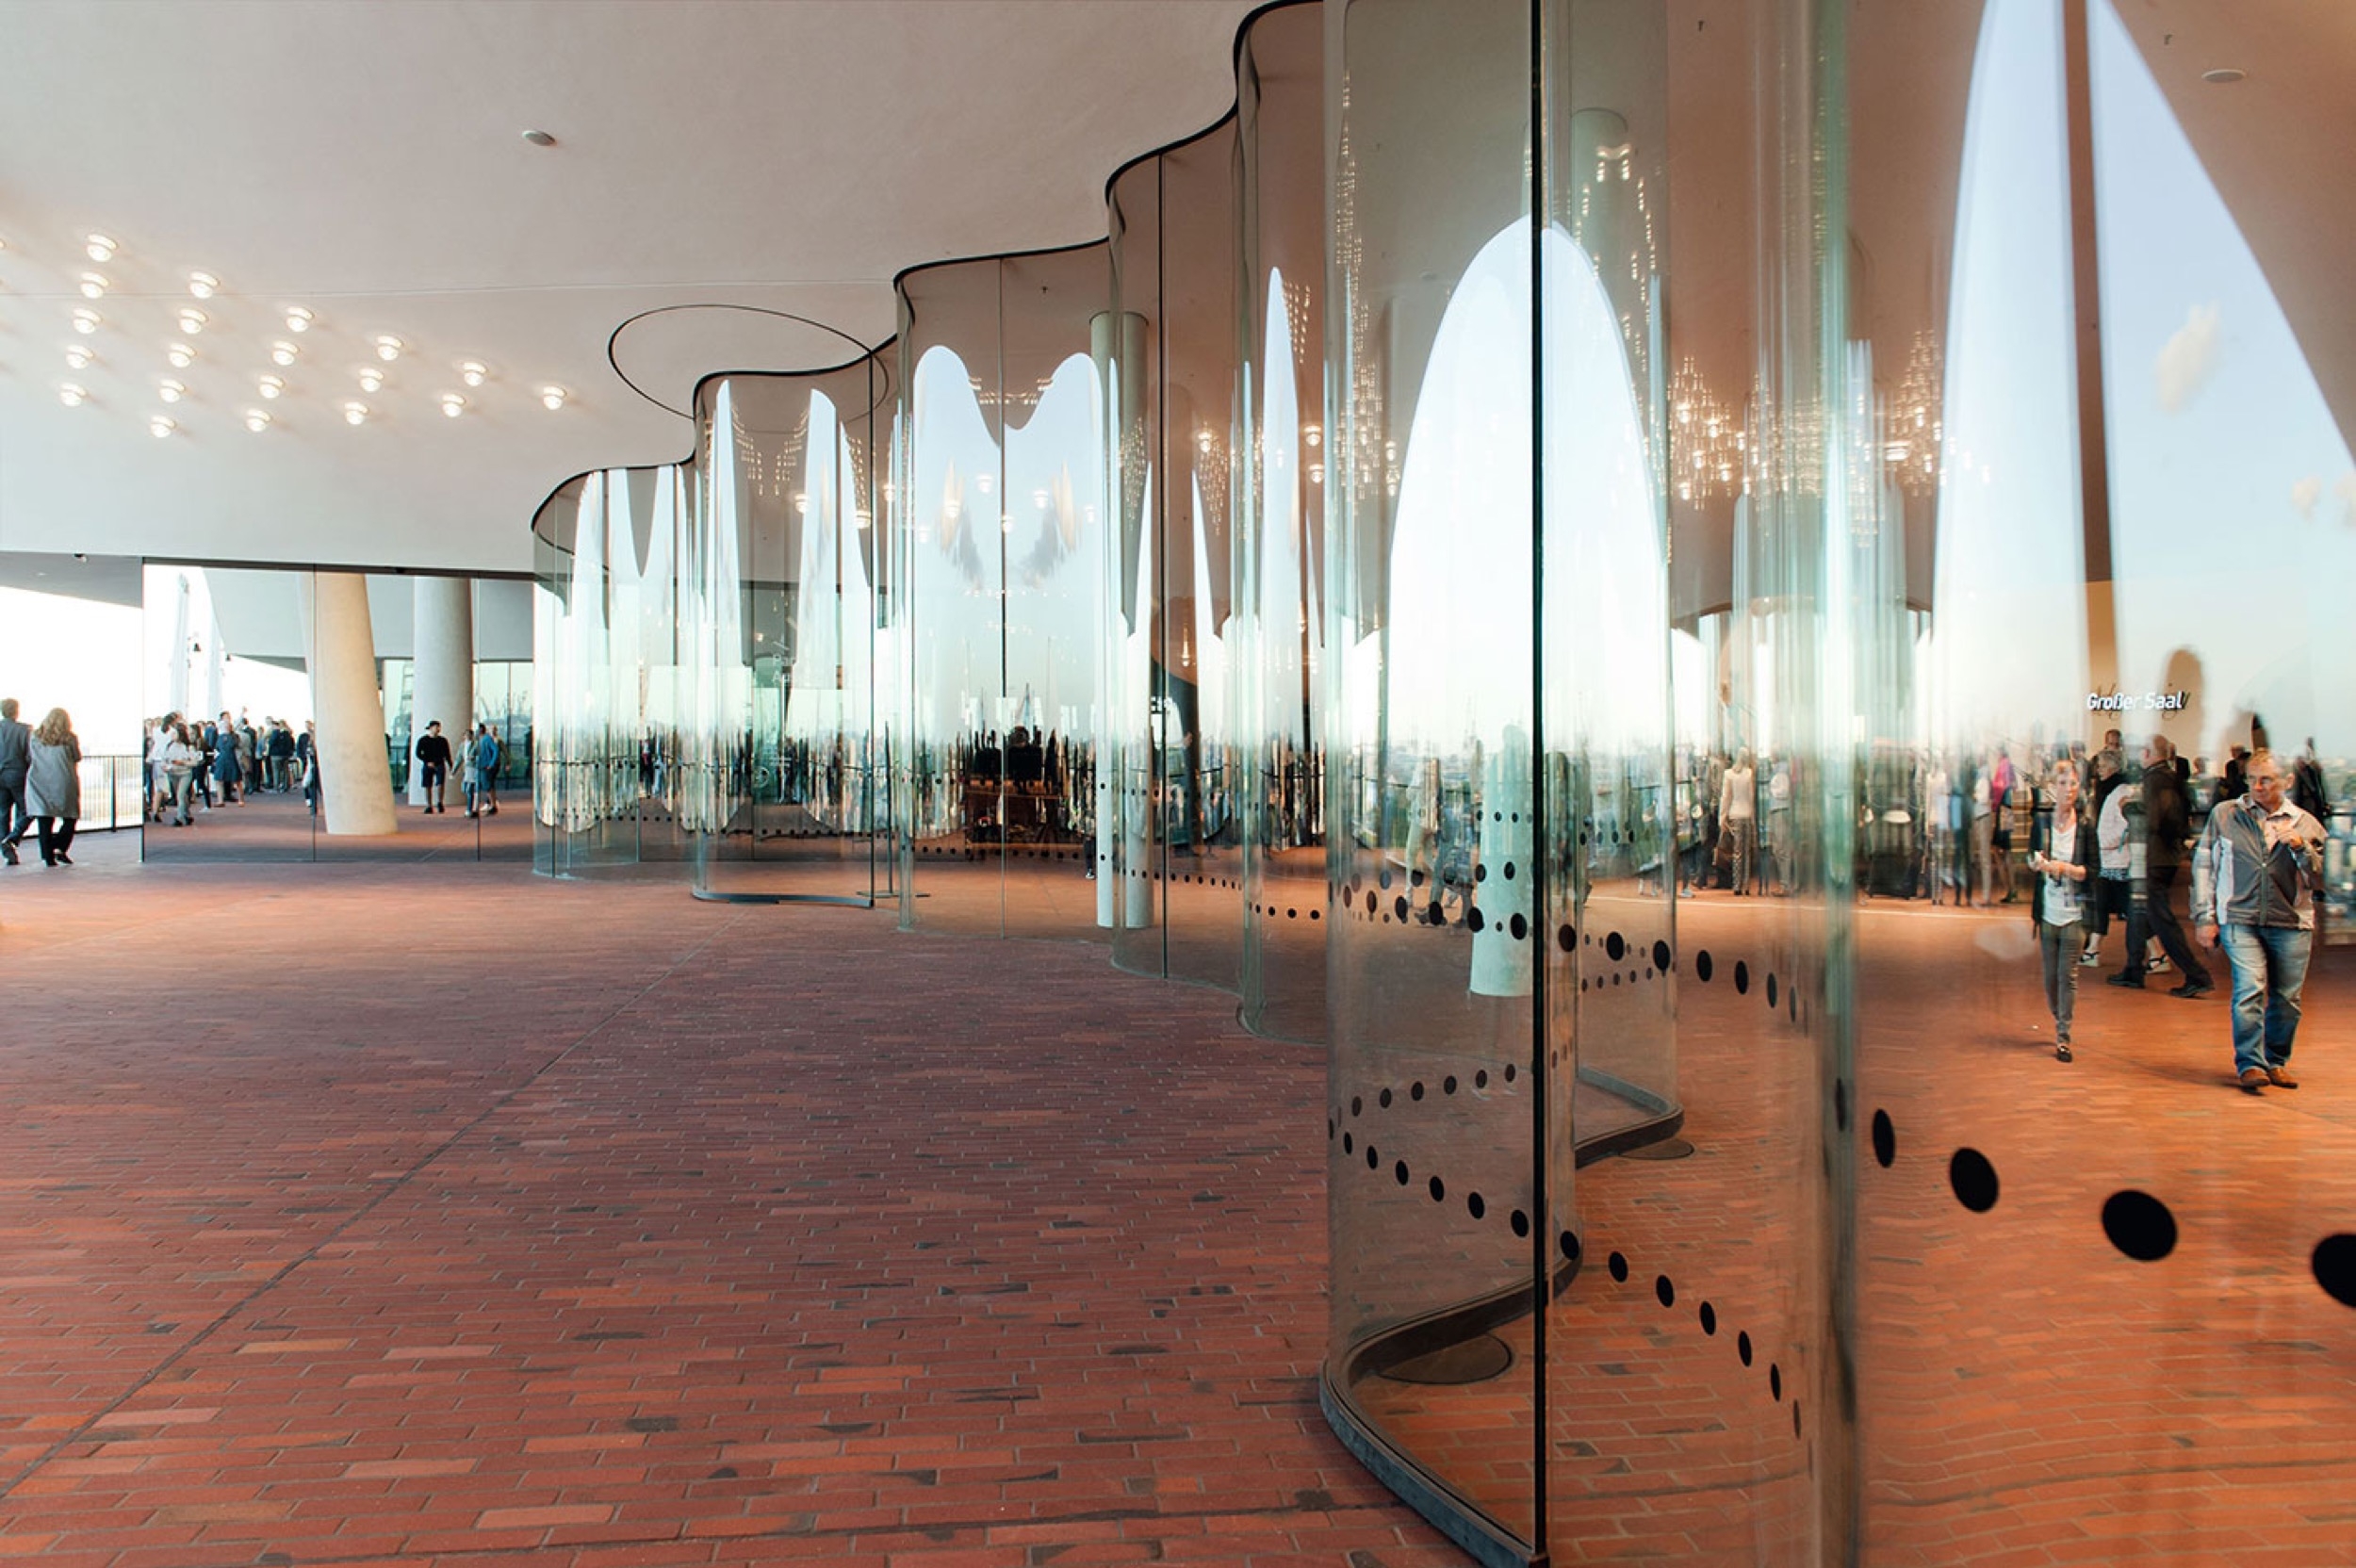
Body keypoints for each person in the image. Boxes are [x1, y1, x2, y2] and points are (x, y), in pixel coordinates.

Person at [2194, 749, 2325, 1093]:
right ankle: (2251, 1065)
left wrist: (2300, 848)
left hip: (2291, 922)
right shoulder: (2226, 815)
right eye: (2252, 779)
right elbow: (2205, 866)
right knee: (2249, 987)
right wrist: (2205, 917)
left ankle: (2276, 1061)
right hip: (2240, 916)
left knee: (2287, 999)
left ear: (2288, 781)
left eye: (2266, 779)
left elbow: (2321, 880)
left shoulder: (2305, 823)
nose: (2258, 786)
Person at [2112, 736, 2213, 998]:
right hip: (2162, 856)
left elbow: (2151, 820)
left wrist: (2127, 808)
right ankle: (2133, 969)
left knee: (2160, 918)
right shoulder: (2173, 777)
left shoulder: (2156, 780)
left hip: (2154, 857)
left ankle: (2196, 974)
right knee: (2139, 911)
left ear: (2147, 752)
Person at [2027, 757, 2094, 1063]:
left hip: (2075, 912)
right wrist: (2039, 864)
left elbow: (2092, 870)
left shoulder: (2086, 827)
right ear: (2053, 787)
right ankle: (2057, 1017)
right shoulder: (2042, 823)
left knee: (2068, 975)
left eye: (2073, 784)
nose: (2068, 790)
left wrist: (2066, 868)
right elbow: (2031, 857)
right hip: (2049, 910)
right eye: (2062, 784)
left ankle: (2063, 1034)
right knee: (2050, 978)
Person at [23, 707, 82, 866]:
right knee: (70, 817)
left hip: (39, 780)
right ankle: (59, 846)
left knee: (45, 819)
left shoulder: (35, 736)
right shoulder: (70, 738)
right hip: (63, 780)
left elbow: (30, 756)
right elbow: (77, 757)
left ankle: (47, 856)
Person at [1720, 748, 1756, 894]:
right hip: (1747, 814)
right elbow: (1751, 797)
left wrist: (1722, 816)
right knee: (1747, 852)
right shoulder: (1750, 774)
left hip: (1735, 814)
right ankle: (1746, 885)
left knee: (1737, 852)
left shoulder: (1729, 774)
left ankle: (1736, 885)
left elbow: (1725, 797)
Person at [0, 697, 30, 866]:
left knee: (3, 813)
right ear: (16, 711)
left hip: (0, 774)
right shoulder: (24, 730)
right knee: (27, 810)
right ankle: (13, 838)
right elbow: (28, 755)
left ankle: (6, 848)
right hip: (18, 774)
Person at [160, 720, 204, 826]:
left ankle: (179, 818)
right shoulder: (169, 746)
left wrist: (183, 762)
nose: (172, 735)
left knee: (180, 795)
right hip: (172, 772)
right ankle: (187, 814)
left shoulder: (189, 747)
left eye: (174, 733)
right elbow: (164, 759)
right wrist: (164, 766)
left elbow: (195, 762)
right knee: (181, 795)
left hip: (185, 773)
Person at [414, 720, 453, 814]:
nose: (438, 729)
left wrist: (451, 765)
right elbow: (418, 753)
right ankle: (429, 805)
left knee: (440, 783)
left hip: (439, 763)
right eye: (436, 727)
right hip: (428, 764)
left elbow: (447, 754)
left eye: (439, 727)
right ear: (431, 728)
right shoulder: (423, 740)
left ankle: (440, 802)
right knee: (427, 785)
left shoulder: (443, 740)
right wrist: (427, 761)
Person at [466, 723, 502, 816]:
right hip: (479, 766)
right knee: (480, 786)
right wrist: (471, 756)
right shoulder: (478, 740)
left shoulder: (487, 739)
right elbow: (474, 750)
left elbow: (495, 750)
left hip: (486, 766)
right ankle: (477, 808)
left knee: (487, 786)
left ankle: (492, 805)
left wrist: (491, 763)